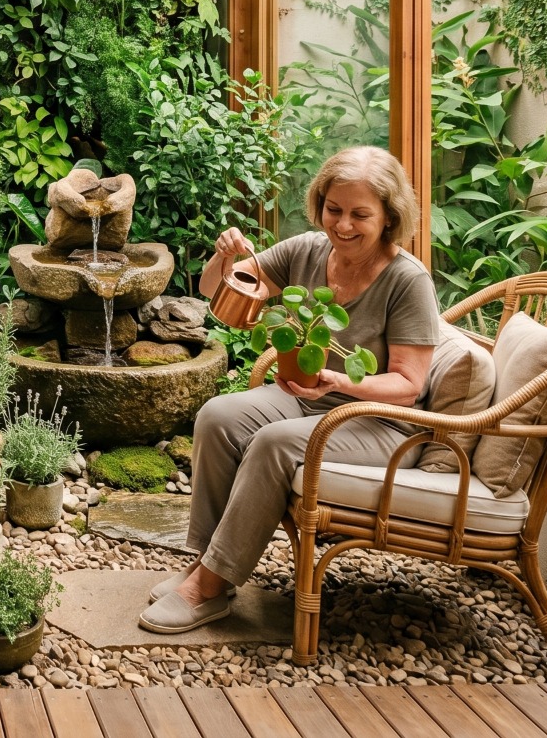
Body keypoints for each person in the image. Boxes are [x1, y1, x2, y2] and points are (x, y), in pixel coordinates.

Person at [138, 145, 440, 634]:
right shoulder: (307, 250)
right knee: (218, 415)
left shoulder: (408, 282)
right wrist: (224, 257)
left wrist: (341, 380)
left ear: (389, 216)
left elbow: (410, 385)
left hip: (382, 423)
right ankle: (204, 561)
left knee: (274, 443)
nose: (342, 225)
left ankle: (209, 587)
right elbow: (218, 294)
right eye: (334, 209)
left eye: (360, 214)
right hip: (308, 398)